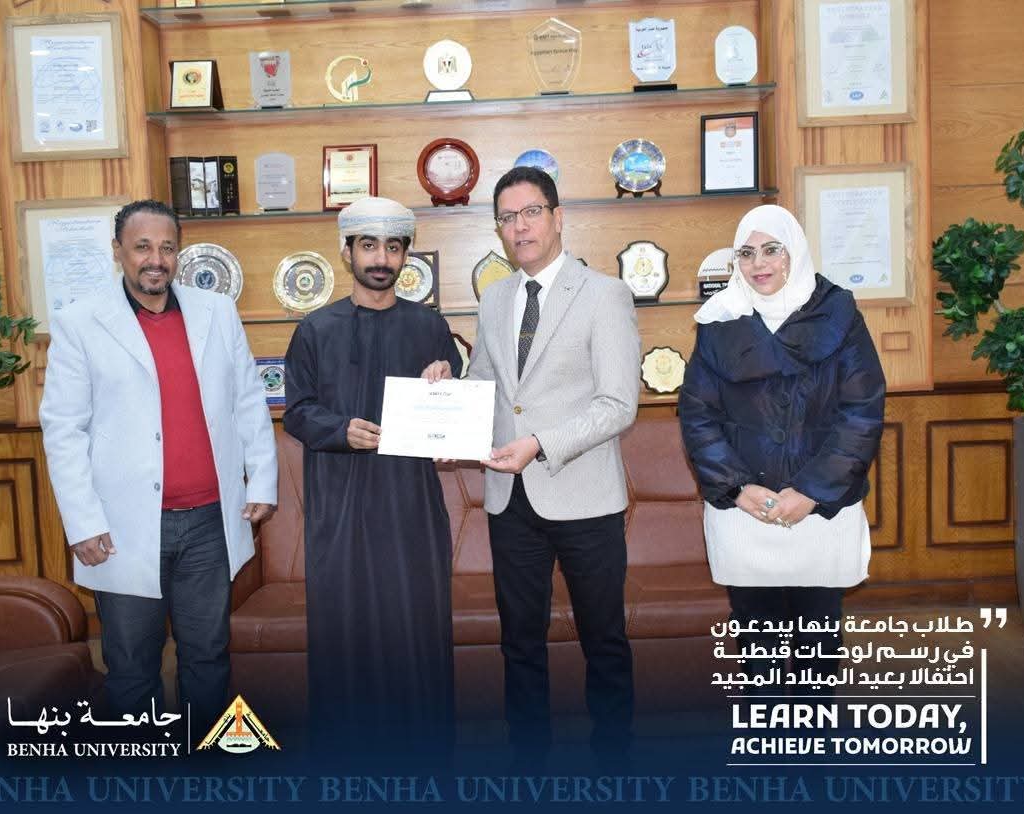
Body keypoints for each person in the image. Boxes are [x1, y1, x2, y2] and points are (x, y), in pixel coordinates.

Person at [40, 199, 277, 728]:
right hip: (121, 527)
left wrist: (261, 479)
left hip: (210, 522)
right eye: (142, 247)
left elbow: (247, 401)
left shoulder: (216, 312)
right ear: (118, 251)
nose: (156, 259)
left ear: (178, 253)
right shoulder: (80, 322)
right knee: (131, 667)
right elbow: (63, 430)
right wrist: (82, 522)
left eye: (167, 248)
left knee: (208, 657)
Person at [462, 166, 641, 763]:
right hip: (509, 501)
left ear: (558, 217)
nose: (520, 227)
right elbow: (486, 385)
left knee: (604, 641)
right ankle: (529, 767)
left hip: (584, 495)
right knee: (519, 643)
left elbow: (618, 405)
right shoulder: (494, 298)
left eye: (531, 212)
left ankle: (614, 764)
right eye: (507, 217)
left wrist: (540, 442)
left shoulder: (604, 294)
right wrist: (446, 402)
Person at [280, 196, 461, 758]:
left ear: (406, 255)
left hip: (410, 504)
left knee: (417, 622)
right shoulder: (315, 329)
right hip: (339, 505)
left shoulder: (430, 325)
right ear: (347, 252)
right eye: (369, 246)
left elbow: (454, 410)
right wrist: (339, 430)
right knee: (345, 624)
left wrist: (447, 377)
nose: (382, 258)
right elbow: (297, 411)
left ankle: (426, 751)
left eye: (393, 247)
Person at [678, 204, 885, 693]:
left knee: (818, 646)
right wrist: (737, 488)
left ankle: (812, 736)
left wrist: (811, 491)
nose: (759, 263)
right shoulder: (720, 319)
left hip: (820, 511)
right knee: (759, 649)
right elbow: (698, 416)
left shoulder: (839, 314)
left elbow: (861, 413)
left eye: (772, 249)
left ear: (795, 252)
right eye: (746, 253)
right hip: (745, 511)